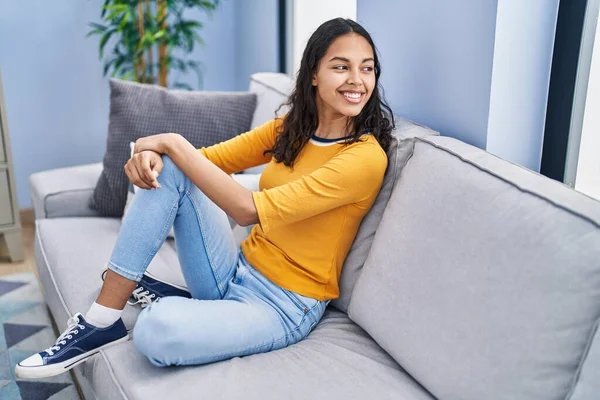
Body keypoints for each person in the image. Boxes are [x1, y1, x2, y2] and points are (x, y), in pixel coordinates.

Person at [15, 17, 394, 379]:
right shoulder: (291, 129)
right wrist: (153, 155)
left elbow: (247, 211)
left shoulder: (363, 158)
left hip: (281, 306)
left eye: (368, 68)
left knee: (155, 332)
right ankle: (100, 320)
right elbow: (204, 162)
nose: (357, 81)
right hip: (235, 269)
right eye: (341, 67)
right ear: (314, 73)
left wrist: (170, 142)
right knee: (177, 167)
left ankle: (174, 303)